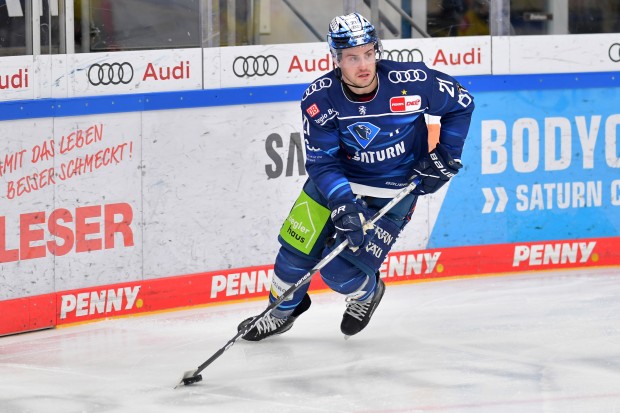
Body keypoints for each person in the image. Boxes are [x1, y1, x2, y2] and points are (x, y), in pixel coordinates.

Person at [238, 12, 474, 340]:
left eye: (368, 53)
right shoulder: (319, 100)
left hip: (393, 191)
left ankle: (368, 293)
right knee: (293, 255)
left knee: (340, 273)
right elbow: (322, 162)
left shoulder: (413, 81)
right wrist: (342, 203)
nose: (363, 65)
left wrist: (447, 155)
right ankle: (279, 313)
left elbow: (461, 103)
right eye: (351, 57)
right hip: (337, 184)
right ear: (335, 59)